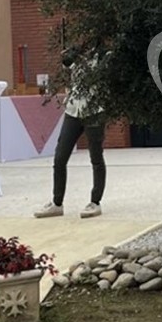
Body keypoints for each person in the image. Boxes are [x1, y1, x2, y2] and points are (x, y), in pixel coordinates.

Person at [36, 45, 105, 218]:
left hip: (94, 110)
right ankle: (57, 203)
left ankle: (95, 202)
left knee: (96, 158)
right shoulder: (76, 55)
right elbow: (67, 65)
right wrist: (68, 57)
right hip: (73, 111)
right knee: (60, 157)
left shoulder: (103, 55)